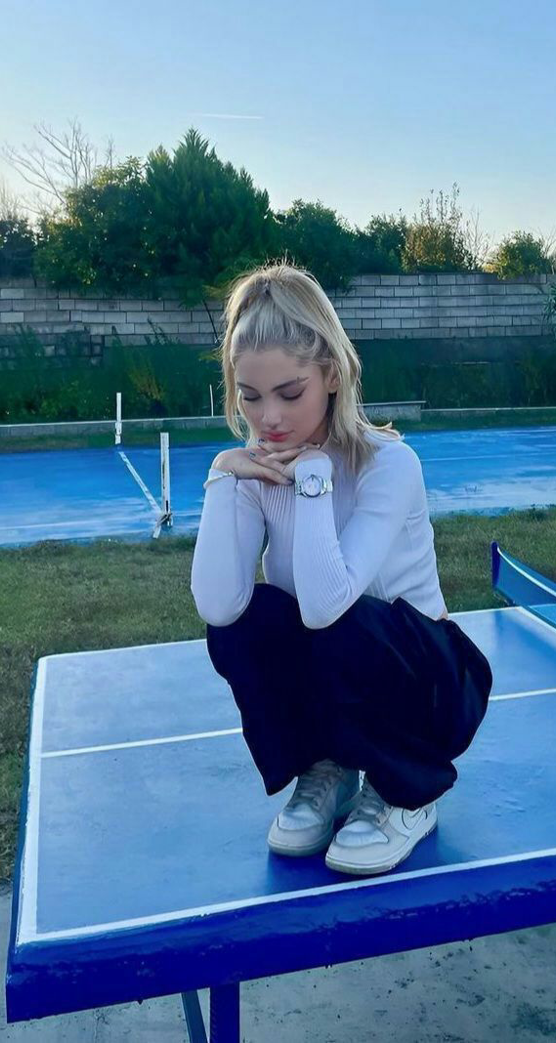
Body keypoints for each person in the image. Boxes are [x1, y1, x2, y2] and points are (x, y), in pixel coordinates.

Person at [190, 261, 493, 876]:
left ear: (331, 375)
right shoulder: (257, 466)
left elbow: (328, 604)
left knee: (342, 621)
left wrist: (313, 477)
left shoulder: (391, 464)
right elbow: (219, 608)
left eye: (289, 393)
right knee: (246, 623)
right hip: (340, 665)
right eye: (250, 396)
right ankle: (326, 767)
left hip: (431, 681)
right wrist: (224, 478)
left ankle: (408, 793)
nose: (269, 418)